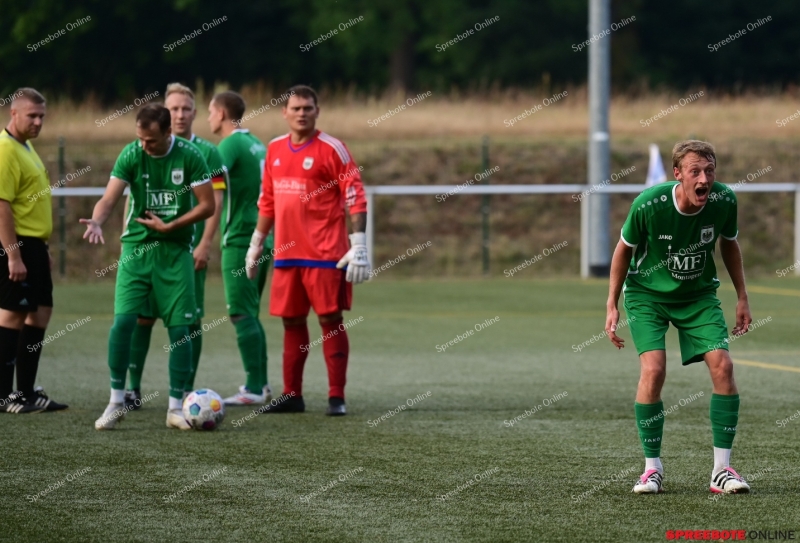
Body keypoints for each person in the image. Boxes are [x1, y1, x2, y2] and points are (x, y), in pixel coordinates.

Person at [606, 140, 751, 494]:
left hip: (698, 296)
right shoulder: (650, 205)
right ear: (678, 174)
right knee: (654, 370)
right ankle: (651, 469)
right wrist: (611, 303)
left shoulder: (723, 200)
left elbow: (729, 243)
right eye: (696, 171)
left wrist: (742, 296)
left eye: (710, 170)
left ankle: (722, 470)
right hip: (647, 296)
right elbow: (623, 251)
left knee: (723, 367)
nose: (705, 178)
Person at [81, 103, 214, 430]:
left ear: (168, 133)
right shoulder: (131, 154)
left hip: (175, 250)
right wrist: (97, 221)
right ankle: (116, 401)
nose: (144, 145)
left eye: (150, 140)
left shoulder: (191, 155)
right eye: (139, 139)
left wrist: (172, 226)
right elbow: (109, 198)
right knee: (123, 323)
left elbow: (208, 205)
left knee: (180, 330)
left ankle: (173, 409)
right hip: (137, 250)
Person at [245, 85, 370, 416]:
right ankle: (292, 395)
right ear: (284, 113)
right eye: (296, 108)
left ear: (317, 112)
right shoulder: (273, 150)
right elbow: (268, 200)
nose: (302, 113)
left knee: (330, 319)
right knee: (291, 322)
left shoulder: (333, 149)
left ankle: (336, 396)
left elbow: (355, 196)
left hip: (326, 254)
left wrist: (358, 245)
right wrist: (256, 243)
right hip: (287, 254)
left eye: (308, 108)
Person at [124, 83, 227, 409]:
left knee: (189, 321)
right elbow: (131, 200)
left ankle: (185, 392)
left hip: (185, 251)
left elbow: (216, 201)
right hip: (146, 251)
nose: (180, 114)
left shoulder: (207, 153)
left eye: (186, 109)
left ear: (194, 113)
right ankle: (132, 390)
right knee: (141, 318)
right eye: (175, 109)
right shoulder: (144, 148)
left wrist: (205, 243)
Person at [0, 87, 67, 413]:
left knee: (40, 314)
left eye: (42, 116)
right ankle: (2, 395)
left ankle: (26, 392)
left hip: (34, 246)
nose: (39, 121)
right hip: (18, 246)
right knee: (12, 315)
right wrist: (13, 254)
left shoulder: (25, 147)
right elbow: (1, 206)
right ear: (13, 114)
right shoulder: (5, 150)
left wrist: (42, 247)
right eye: (32, 116)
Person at [207, 90, 272, 405]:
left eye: (209, 112)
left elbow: (210, 183)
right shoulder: (256, 142)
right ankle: (262, 383)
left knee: (241, 314)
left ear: (220, 113)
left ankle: (254, 388)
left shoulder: (230, 144)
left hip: (240, 238)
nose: (207, 119)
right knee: (251, 313)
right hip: (262, 236)